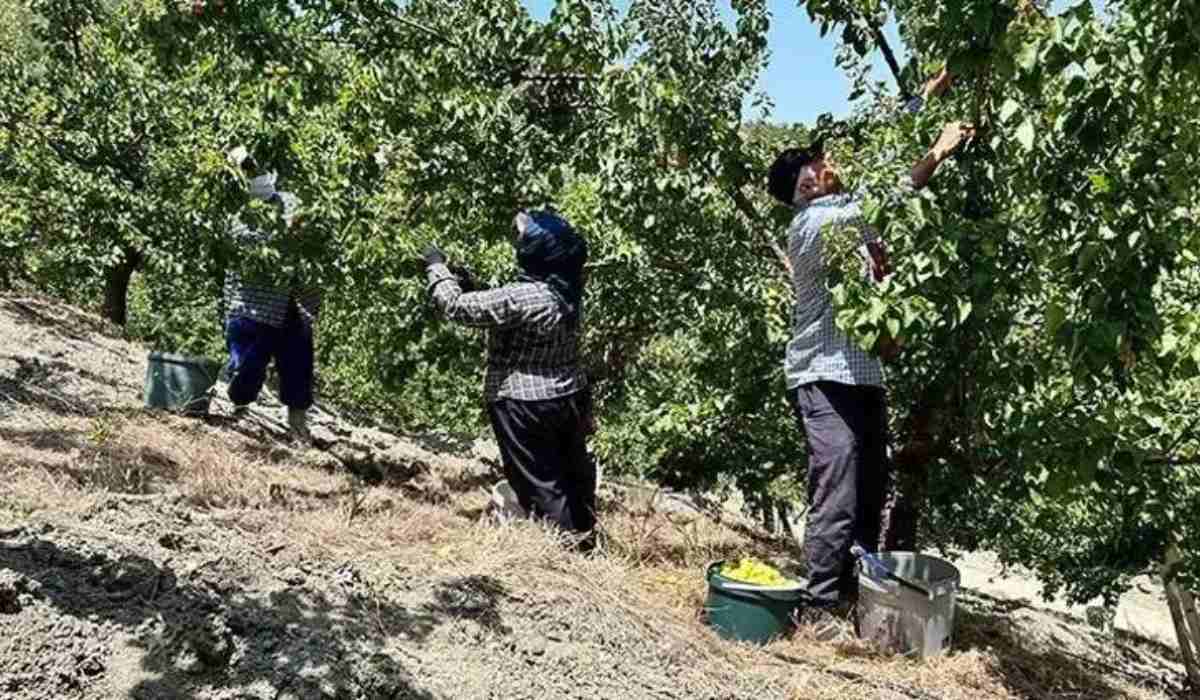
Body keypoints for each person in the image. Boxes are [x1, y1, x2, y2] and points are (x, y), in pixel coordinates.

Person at [765, 70, 970, 637]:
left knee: (872, 485)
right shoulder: (812, 225)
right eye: (810, 172)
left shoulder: (841, 207)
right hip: (822, 373)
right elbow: (887, 195)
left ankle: (857, 594)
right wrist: (938, 152)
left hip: (862, 372)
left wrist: (934, 89)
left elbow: (873, 143)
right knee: (840, 480)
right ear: (802, 190)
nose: (821, 170)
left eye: (818, 164)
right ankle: (818, 607)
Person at [422, 210, 596, 548]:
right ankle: (587, 544)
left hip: (523, 404)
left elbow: (456, 307)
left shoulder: (520, 297)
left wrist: (436, 266)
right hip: (568, 395)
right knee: (573, 476)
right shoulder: (569, 289)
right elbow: (511, 313)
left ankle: (566, 559)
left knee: (541, 484)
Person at [221, 148, 321, 441]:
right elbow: (244, 250)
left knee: (298, 366)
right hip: (251, 302)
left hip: (294, 301)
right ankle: (239, 408)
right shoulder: (236, 212)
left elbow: (312, 240)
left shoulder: (291, 203)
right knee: (246, 365)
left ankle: (298, 426)